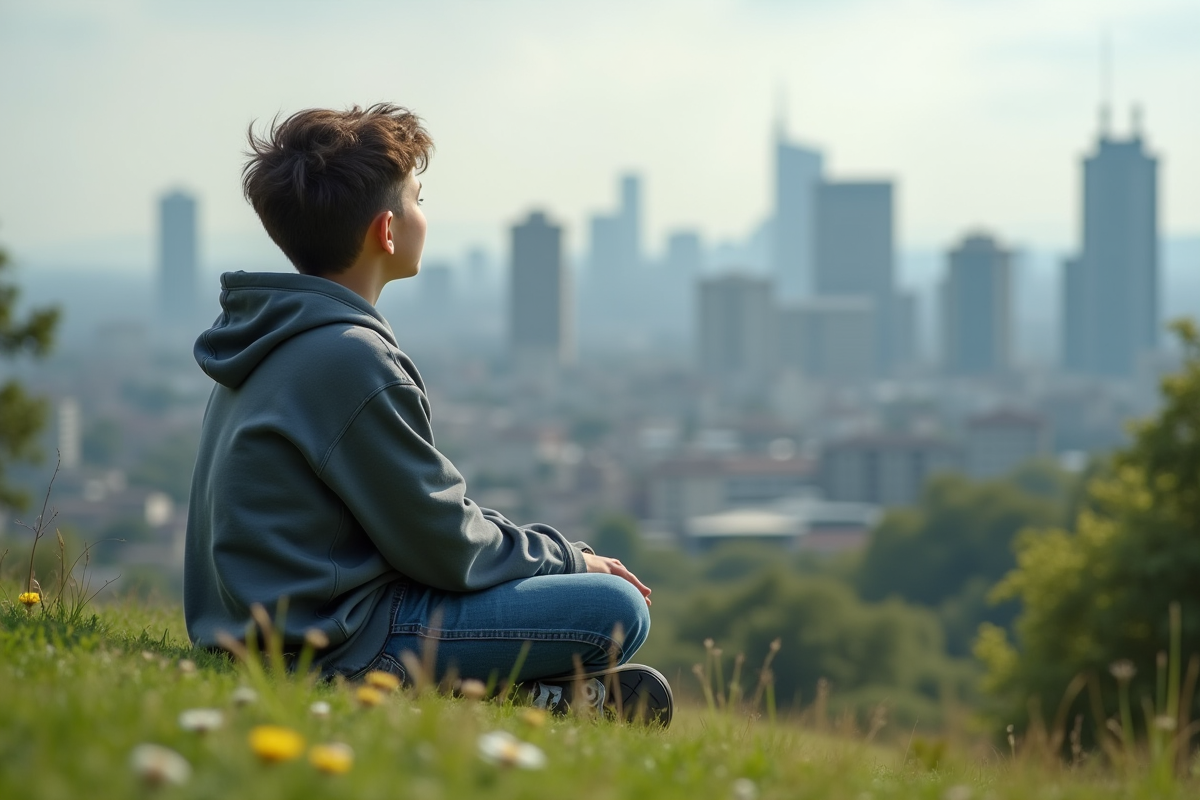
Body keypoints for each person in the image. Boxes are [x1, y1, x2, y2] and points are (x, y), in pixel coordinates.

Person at [183, 104, 672, 724]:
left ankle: (537, 696)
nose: (425, 214)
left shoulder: (267, 339)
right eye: (418, 198)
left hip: (251, 628)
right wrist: (573, 559)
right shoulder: (350, 359)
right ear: (387, 231)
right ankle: (535, 698)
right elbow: (442, 542)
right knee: (614, 609)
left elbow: (421, 518)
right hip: (333, 644)